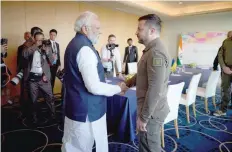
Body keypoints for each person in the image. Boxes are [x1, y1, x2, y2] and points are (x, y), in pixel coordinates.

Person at [61, 11, 128, 152]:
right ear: (85, 29)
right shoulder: (85, 49)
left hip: (77, 105)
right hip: (86, 110)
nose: (100, 31)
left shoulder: (75, 44)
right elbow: (94, 87)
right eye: (97, 28)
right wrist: (118, 88)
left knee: (73, 144)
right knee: (80, 147)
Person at [126, 14, 171, 152]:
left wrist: (144, 118)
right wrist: (127, 84)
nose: (136, 32)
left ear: (151, 31)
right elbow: (142, 73)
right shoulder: (151, 50)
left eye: (139, 29)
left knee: (149, 147)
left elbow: (155, 89)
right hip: (151, 108)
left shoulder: (155, 52)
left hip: (151, 112)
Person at [22, 28, 55, 124]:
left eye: (42, 39)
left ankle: (52, 116)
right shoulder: (29, 46)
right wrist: (36, 46)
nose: (41, 41)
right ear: (34, 39)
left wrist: (48, 51)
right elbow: (24, 54)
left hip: (44, 78)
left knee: (50, 98)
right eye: (38, 40)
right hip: (33, 79)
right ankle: (34, 118)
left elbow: (53, 61)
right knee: (33, 100)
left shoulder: (47, 46)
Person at [213, 31, 232, 116]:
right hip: (226, 69)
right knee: (225, 89)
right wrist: (223, 67)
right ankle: (223, 109)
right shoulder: (226, 42)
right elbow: (219, 55)